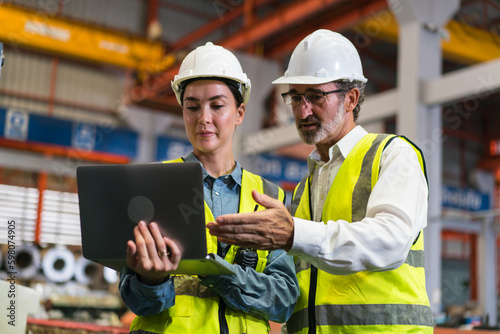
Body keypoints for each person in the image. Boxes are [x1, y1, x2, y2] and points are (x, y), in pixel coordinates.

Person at [207, 29, 434, 333]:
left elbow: (390, 242)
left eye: (316, 97)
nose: (303, 111)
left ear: (351, 98)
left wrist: (294, 234)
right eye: (296, 97)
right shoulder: (303, 190)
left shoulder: (392, 155)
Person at [119, 42, 299, 333]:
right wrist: (150, 282)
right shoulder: (153, 185)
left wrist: (220, 273)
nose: (203, 118)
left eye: (217, 105)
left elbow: (284, 300)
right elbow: (136, 301)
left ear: (239, 113)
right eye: (192, 106)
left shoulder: (269, 197)